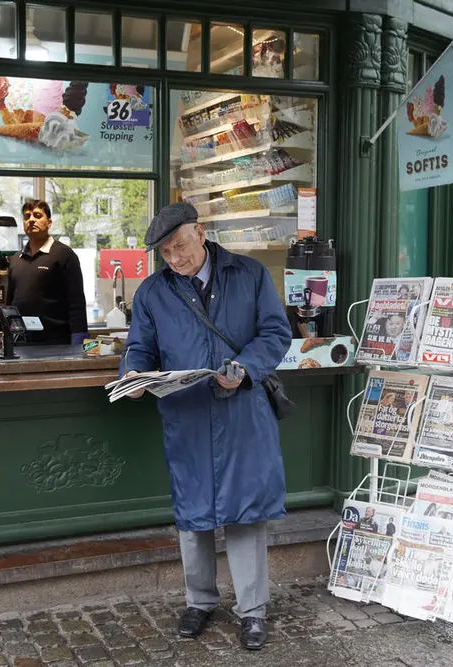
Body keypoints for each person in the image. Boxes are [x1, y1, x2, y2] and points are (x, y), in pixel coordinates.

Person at [118, 202, 291, 651]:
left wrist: (245, 368)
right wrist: (134, 376)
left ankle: (252, 611)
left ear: (201, 232)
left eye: (180, 246)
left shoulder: (249, 274)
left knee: (246, 513)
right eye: (165, 253)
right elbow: (140, 348)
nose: (175, 259)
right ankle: (199, 601)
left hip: (242, 413)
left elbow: (275, 333)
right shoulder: (152, 293)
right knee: (192, 516)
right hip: (188, 415)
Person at [6, 199, 88, 346]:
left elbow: (76, 303)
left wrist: (78, 342)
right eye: (27, 216)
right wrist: (6, 337)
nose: (31, 220)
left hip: (56, 343)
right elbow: (9, 305)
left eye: (37, 216)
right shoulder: (16, 260)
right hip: (21, 344)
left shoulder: (64, 255)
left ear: (49, 223)